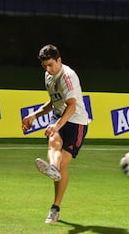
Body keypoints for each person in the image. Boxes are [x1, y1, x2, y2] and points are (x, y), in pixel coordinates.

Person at [22, 44, 88, 223]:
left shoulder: (67, 76)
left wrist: (57, 126)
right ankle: (52, 168)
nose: (48, 69)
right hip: (59, 116)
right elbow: (54, 101)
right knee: (53, 142)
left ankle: (55, 207)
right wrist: (35, 115)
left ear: (59, 60)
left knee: (63, 165)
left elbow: (72, 105)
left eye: (51, 65)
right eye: (44, 66)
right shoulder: (48, 76)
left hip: (77, 122)